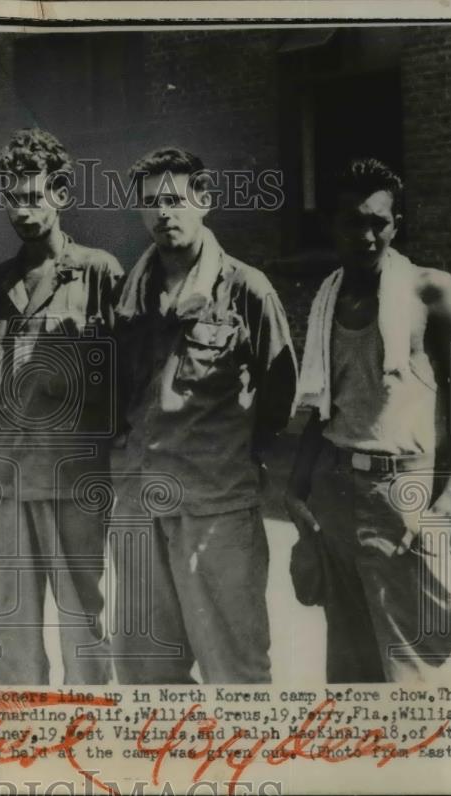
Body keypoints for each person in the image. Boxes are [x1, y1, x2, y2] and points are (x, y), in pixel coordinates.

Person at [285, 158, 451, 682]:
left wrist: (445, 505)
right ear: (333, 226)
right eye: (354, 221)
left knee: (408, 675)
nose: (367, 234)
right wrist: (297, 492)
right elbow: (322, 406)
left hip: (400, 495)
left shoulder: (430, 290)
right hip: (331, 492)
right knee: (349, 670)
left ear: (397, 223)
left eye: (380, 221)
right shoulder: (327, 297)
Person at [111, 147, 296, 684]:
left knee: (233, 666)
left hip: (214, 507)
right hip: (140, 503)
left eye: (174, 199)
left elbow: (277, 397)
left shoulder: (246, 290)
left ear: (204, 201)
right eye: (150, 203)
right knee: (145, 669)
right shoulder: (131, 295)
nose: (163, 213)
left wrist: (233, 461)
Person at [0, 128, 123, 685]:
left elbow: (121, 378)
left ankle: (89, 734)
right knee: (9, 618)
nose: (22, 209)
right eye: (12, 197)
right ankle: (20, 736)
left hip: (71, 474)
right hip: (6, 473)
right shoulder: (0, 280)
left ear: (60, 193)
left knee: (79, 612)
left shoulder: (98, 271)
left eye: (34, 196)